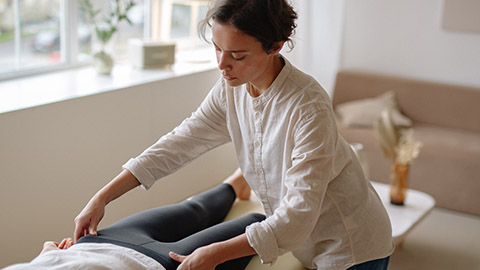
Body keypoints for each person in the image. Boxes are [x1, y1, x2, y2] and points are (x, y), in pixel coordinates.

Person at [74, 0, 395, 269]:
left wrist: (215, 253)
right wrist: (102, 197)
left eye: (237, 56)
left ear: (275, 47)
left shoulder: (308, 106)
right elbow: (179, 143)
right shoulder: (232, 89)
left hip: (349, 244)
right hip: (305, 241)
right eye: (217, 49)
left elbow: (297, 216)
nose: (222, 65)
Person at [3, 174, 265, 270]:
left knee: (194, 209)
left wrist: (46, 257)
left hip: (99, 242)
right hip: (160, 263)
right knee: (256, 222)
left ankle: (236, 182)